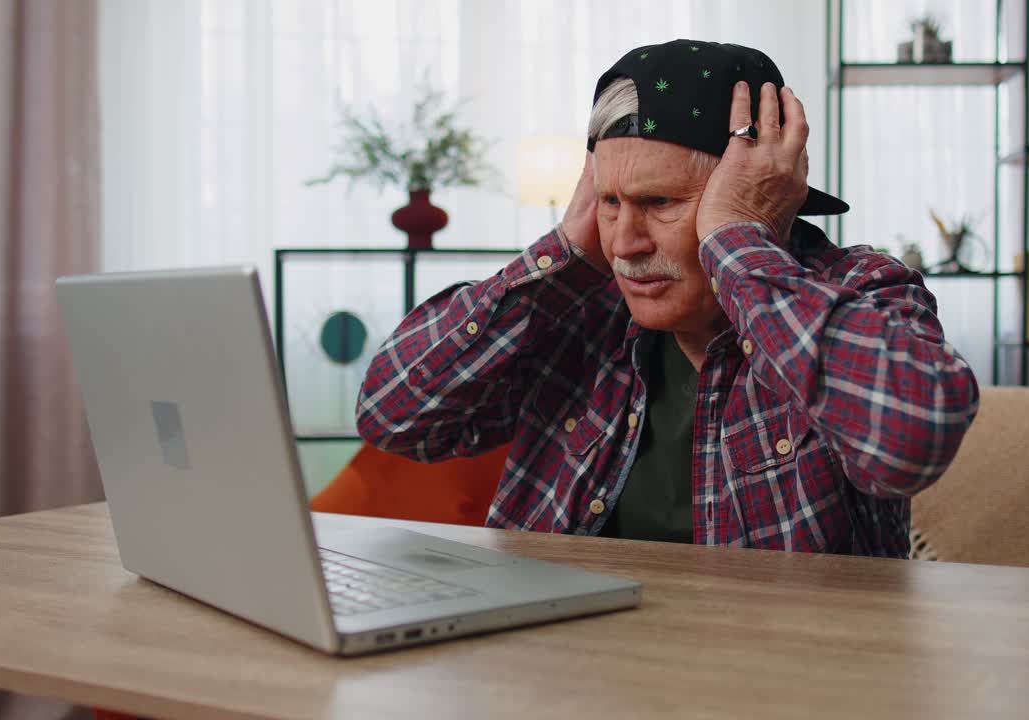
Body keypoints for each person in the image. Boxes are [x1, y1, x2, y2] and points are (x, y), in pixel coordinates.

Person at [357, 40, 979, 557]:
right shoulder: (580, 311)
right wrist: (562, 257)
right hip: (559, 673)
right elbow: (392, 416)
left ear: (761, 194)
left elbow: (910, 442)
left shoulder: (863, 291)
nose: (625, 243)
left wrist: (737, 242)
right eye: (608, 202)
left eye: (659, 203)